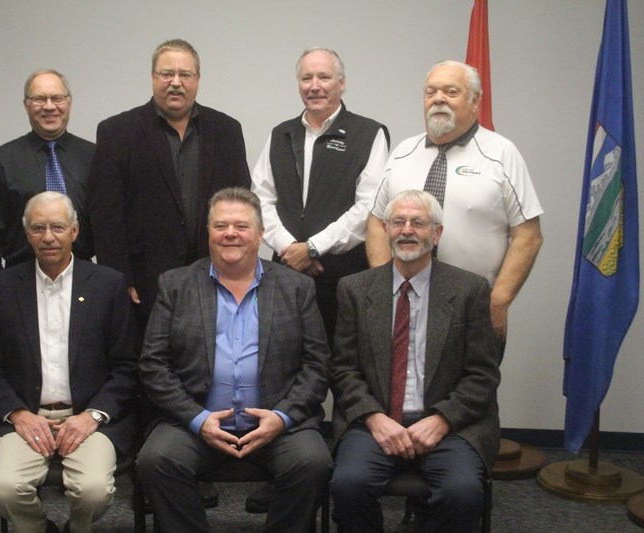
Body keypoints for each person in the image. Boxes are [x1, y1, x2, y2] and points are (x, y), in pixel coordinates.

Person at [137, 187, 332, 532]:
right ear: (208, 233)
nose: (230, 233)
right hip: (195, 421)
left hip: (277, 423)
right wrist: (197, 419)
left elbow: (316, 365)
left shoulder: (296, 287)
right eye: (220, 225)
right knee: (156, 461)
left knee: (312, 463)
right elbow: (153, 365)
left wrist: (283, 417)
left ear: (260, 235)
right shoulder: (176, 285)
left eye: (241, 226)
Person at [330, 190, 500, 532]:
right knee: (348, 485)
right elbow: (343, 369)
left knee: (463, 492)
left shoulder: (470, 290)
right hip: (376, 421)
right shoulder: (355, 289)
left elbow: (482, 374)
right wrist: (376, 419)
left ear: (436, 234)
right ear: (387, 231)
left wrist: (441, 420)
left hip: (449, 425)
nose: (407, 230)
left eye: (418, 222)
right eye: (398, 222)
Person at [0, 192, 137, 533]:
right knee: (3, 490)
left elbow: (128, 367)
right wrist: (18, 414)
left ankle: (78, 528)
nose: (49, 237)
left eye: (58, 227)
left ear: (74, 231)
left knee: (93, 492)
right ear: (26, 233)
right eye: (39, 228)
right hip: (27, 417)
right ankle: (39, 528)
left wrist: (91, 416)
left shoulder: (108, 284)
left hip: (89, 418)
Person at [366, 60, 542, 343]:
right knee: (402, 384)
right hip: (404, 304)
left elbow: (529, 235)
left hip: (471, 308)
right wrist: (384, 285)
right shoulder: (402, 153)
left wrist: (498, 302)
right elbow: (376, 222)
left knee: (470, 387)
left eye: (451, 92)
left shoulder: (501, 153)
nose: (438, 99)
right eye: (431, 92)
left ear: (475, 101)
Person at [88, 38, 251, 339]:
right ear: (153, 77)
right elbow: (105, 215)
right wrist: (121, 278)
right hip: (146, 281)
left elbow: (241, 205)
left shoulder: (227, 130)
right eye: (167, 74)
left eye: (185, 74)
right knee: (151, 368)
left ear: (197, 80)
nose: (176, 83)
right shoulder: (117, 132)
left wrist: (239, 271)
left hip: (215, 276)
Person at [252, 46, 389, 346]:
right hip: (286, 276)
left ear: (342, 83)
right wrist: (290, 249)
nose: (314, 86)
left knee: (346, 374)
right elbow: (260, 198)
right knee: (285, 373)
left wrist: (313, 248)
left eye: (324, 77)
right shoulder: (280, 135)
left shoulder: (369, 134)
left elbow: (369, 207)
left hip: (345, 279)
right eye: (306, 78)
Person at [0, 69, 95, 291]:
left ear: (69, 103)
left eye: (57, 98)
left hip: (84, 284)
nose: (49, 106)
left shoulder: (94, 157)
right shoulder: (4, 160)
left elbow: (109, 227)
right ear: (26, 105)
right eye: (39, 99)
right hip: (21, 284)